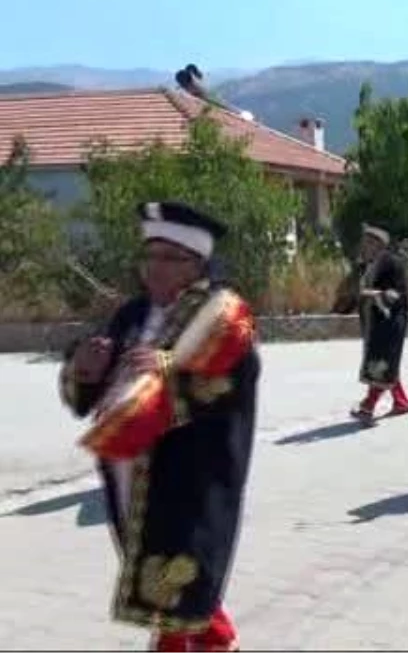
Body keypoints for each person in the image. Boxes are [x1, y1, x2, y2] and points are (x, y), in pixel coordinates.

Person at [59, 201, 258, 652]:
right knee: (159, 572)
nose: (155, 268)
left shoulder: (223, 315)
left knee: (180, 574)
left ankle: (209, 643)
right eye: (149, 256)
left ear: (197, 265)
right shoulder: (131, 314)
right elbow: (89, 385)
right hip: (132, 474)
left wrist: (170, 367)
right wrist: (85, 370)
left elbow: (228, 382)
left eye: (169, 258)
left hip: (190, 473)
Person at [349, 224, 408, 423]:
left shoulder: (392, 263)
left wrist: (377, 295)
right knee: (387, 363)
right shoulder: (367, 265)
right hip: (375, 321)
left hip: (390, 321)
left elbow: (396, 293)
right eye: (364, 242)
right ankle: (401, 402)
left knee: (382, 362)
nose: (364, 246)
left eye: (369, 242)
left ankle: (368, 406)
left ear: (379, 244)